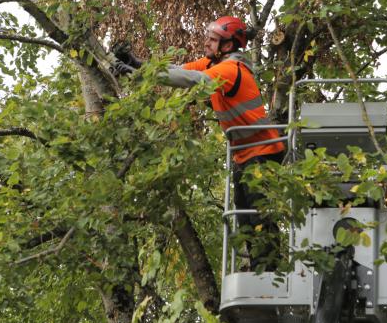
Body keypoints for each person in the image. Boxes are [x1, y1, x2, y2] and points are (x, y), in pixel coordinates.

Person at [112, 16, 285, 270]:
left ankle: (268, 271)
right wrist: (137, 65)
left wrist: (133, 71)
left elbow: (192, 81)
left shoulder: (230, 70)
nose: (206, 43)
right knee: (245, 215)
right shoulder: (214, 63)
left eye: (212, 40)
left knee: (258, 214)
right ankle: (260, 269)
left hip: (264, 152)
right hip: (245, 154)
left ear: (227, 46)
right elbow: (179, 71)